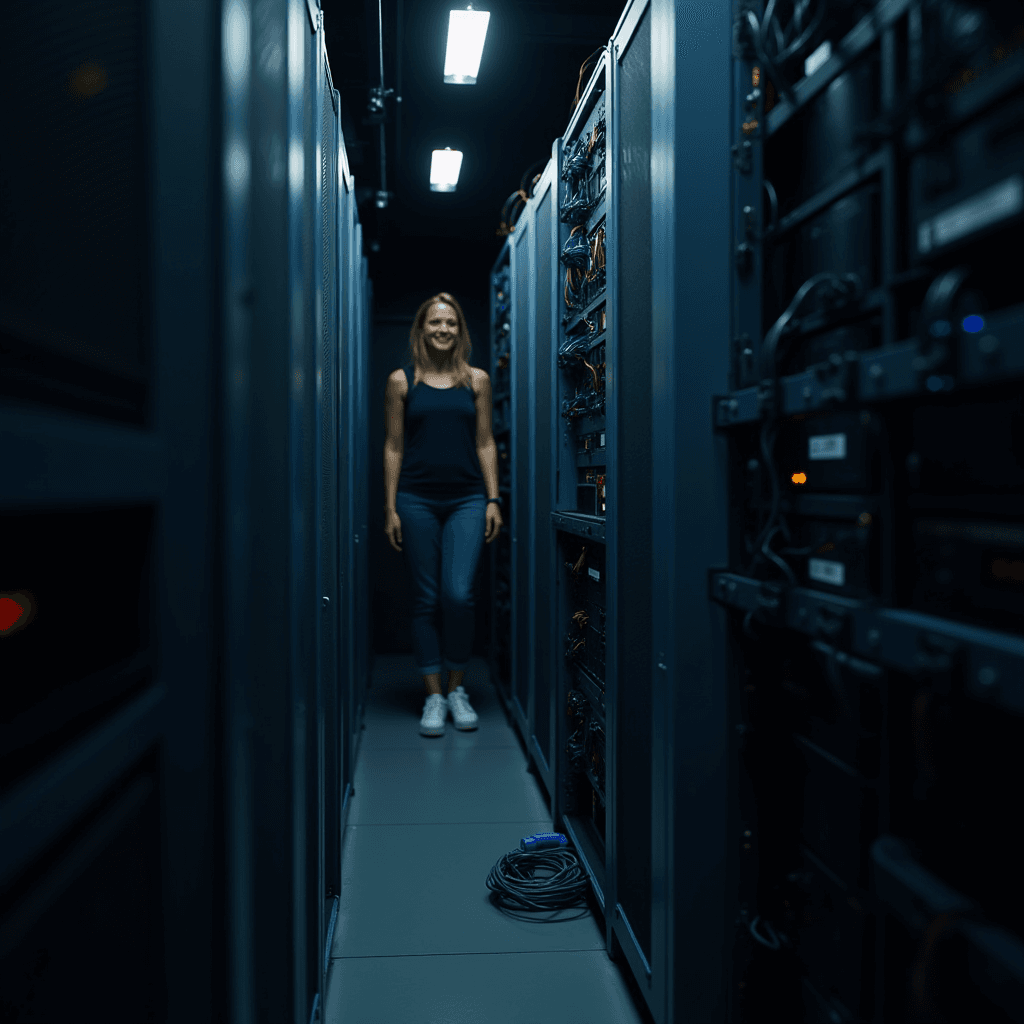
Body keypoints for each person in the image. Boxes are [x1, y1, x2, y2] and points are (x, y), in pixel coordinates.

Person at [383, 292, 504, 736]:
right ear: (421, 329)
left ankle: (457, 689)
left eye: (451, 323)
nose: (443, 330)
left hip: (467, 499)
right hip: (416, 500)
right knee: (426, 599)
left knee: (458, 596)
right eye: (435, 322)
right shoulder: (402, 381)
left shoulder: (477, 381)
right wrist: (390, 506)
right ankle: (434, 696)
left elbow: (485, 441)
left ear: (460, 330)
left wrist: (493, 499)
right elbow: (393, 446)